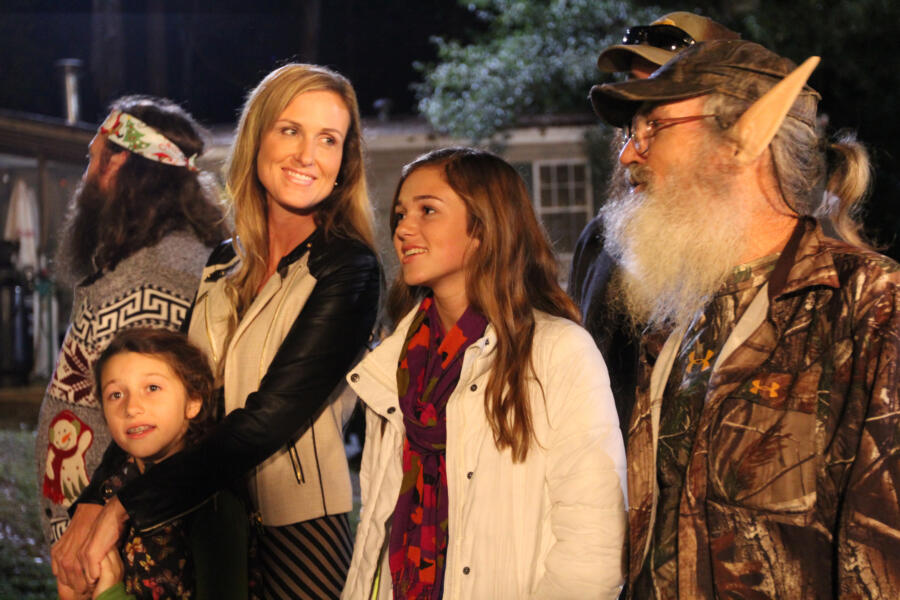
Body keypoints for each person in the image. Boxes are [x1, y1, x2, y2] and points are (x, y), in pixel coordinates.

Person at [589, 39, 900, 597]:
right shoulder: (673, 325)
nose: (629, 155)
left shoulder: (870, 307)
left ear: (742, 138)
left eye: (653, 128)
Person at [60, 64, 381, 599]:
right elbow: (178, 392)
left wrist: (124, 507)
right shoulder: (222, 263)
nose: (307, 155)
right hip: (203, 518)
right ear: (257, 138)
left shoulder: (348, 268)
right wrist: (95, 497)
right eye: (290, 129)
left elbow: (264, 422)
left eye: (329, 139)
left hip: (296, 532)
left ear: (343, 165)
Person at [342, 148, 627, 599]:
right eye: (400, 214)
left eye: (428, 211)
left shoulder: (558, 352)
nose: (402, 229)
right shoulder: (395, 361)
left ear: (483, 228)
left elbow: (593, 545)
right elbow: (377, 527)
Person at [38, 96, 227, 550]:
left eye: (93, 159)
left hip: (114, 544)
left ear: (117, 165)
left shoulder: (155, 277)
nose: (86, 176)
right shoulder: (145, 261)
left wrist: (91, 524)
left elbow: (151, 427)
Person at [569, 12, 739, 436]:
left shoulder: (781, 261)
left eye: (657, 116)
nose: (632, 148)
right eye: (633, 116)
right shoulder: (601, 241)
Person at [67, 328, 247, 600]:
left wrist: (110, 593)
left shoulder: (213, 505)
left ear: (193, 402)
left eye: (152, 388)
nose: (131, 407)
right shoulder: (110, 488)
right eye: (116, 394)